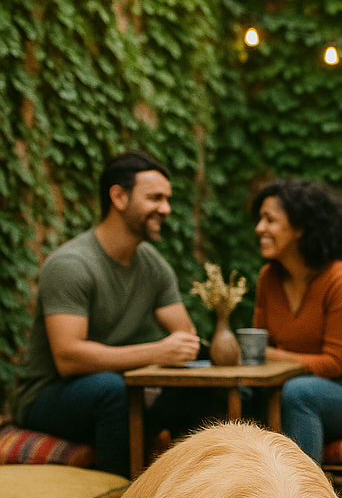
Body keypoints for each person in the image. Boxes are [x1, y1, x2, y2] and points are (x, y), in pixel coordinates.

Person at [12, 151, 205, 478]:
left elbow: (185, 338)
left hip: (120, 387)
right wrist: (157, 352)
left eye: (167, 199)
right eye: (155, 198)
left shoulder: (152, 265)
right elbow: (68, 357)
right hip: (50, 394)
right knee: (111, 390)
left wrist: (182, 352)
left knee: (198, 389)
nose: (166, 209)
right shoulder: (71, 265)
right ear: (118, 196)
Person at [250, 178, 342, 461]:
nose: (259, 228)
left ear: (300, 228)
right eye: (259, 219)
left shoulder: (341, 278)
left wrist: (270, 355)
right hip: (286, 386)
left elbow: (333, 363)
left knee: (299, 393)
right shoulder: (268, 279)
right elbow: (255, 352)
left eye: (269, 220)